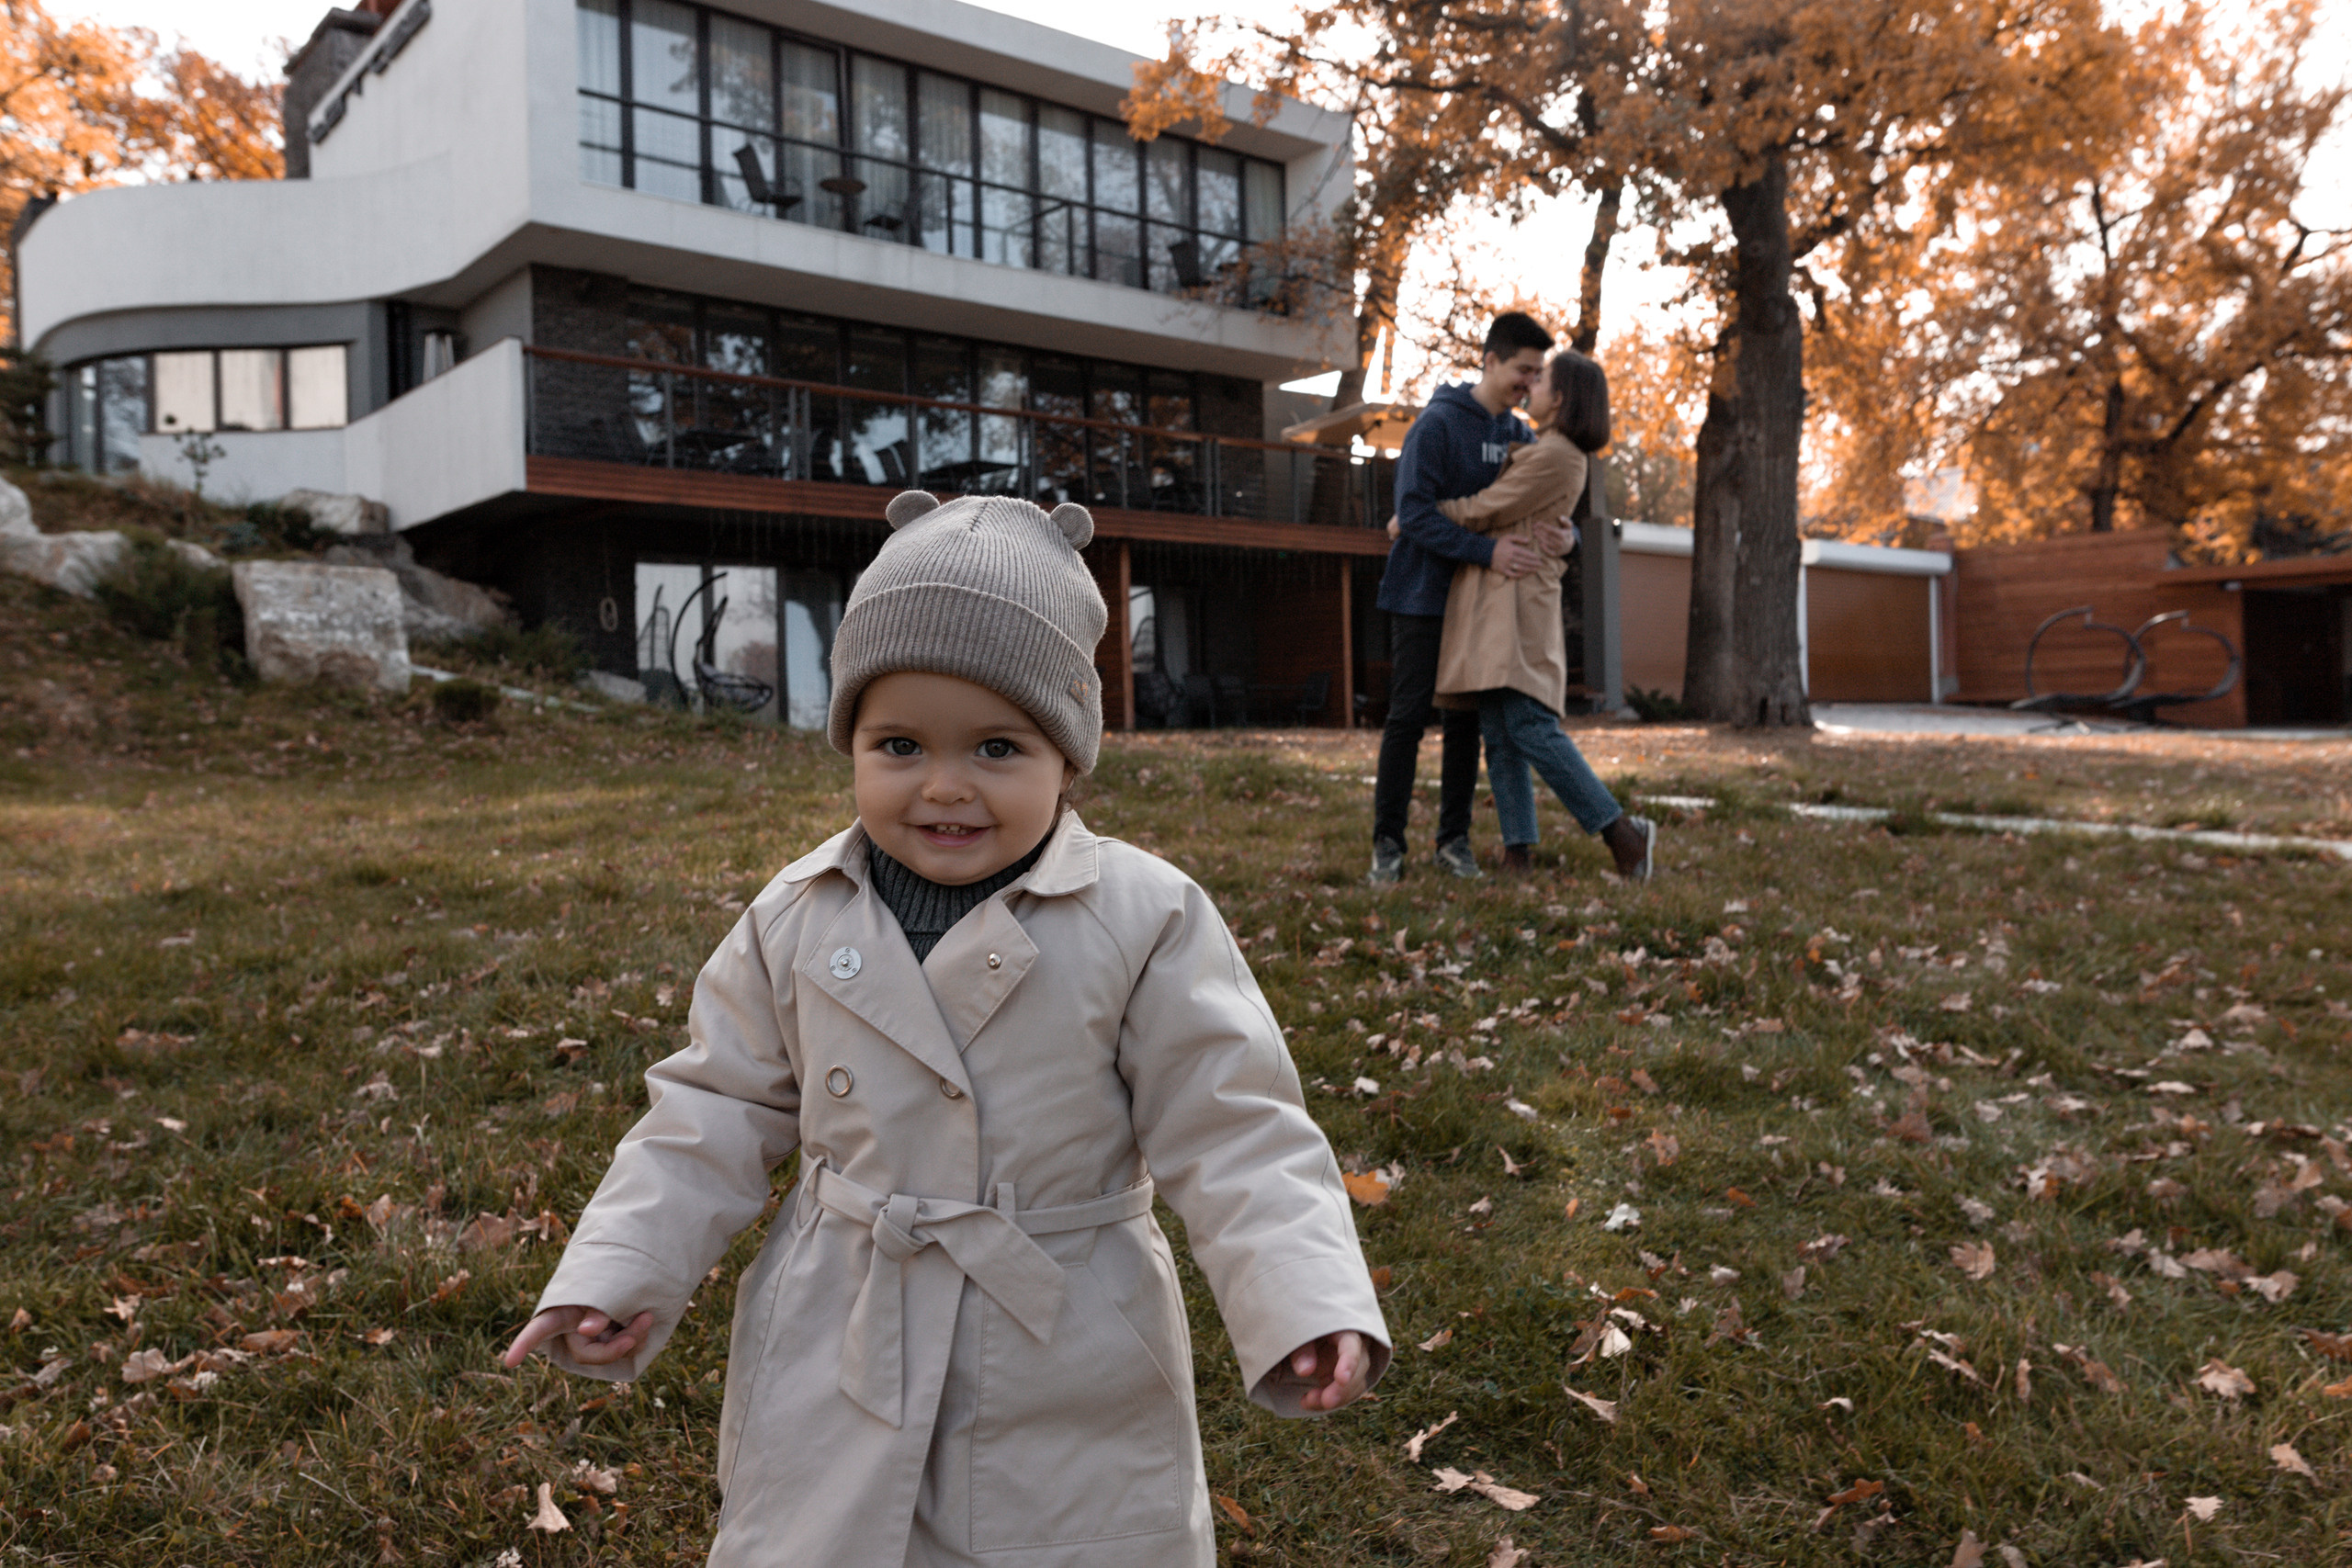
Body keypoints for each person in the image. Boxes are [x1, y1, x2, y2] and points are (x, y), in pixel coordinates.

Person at [503, 489, 1390, 1568]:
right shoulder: (796, 913)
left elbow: (1236, 1125)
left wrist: (1302, 1299)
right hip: (845, 1317)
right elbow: (711, 1107)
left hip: (1063, 1334)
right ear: (851, 744)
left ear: (1069, 752)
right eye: (900, 743)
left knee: (1066, 1539)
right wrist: (623, 1267)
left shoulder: (1142, 918)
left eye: (998, 749)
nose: (944, 786)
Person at [1432, 351, 1656, 880]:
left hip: (1519, 603)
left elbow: (1490, 506)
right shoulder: (1547, 448)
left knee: (1530, 726)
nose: (1531, 386)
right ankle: (1518, 854)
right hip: (1498, 600)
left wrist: (1418, 513)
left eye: (1542, 380)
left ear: (1560, 398)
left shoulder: (1556, 453)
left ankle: (1621, 833)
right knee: (1500, 731)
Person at [1369, 310, 1566, 886]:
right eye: (1522, 371)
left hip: (1479, 605)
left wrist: (1568, 534)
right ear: (1490, 360)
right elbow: (1414, 518)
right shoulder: (1436, 426)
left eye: (1536, 374)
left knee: (1464, 727)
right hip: (1422, 597)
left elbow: (1546, 499)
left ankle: (1453, 842)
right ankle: (1387, 845)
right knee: (1407, 720)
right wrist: (1488, 553)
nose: (1529, 384)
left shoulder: (1520, 436)